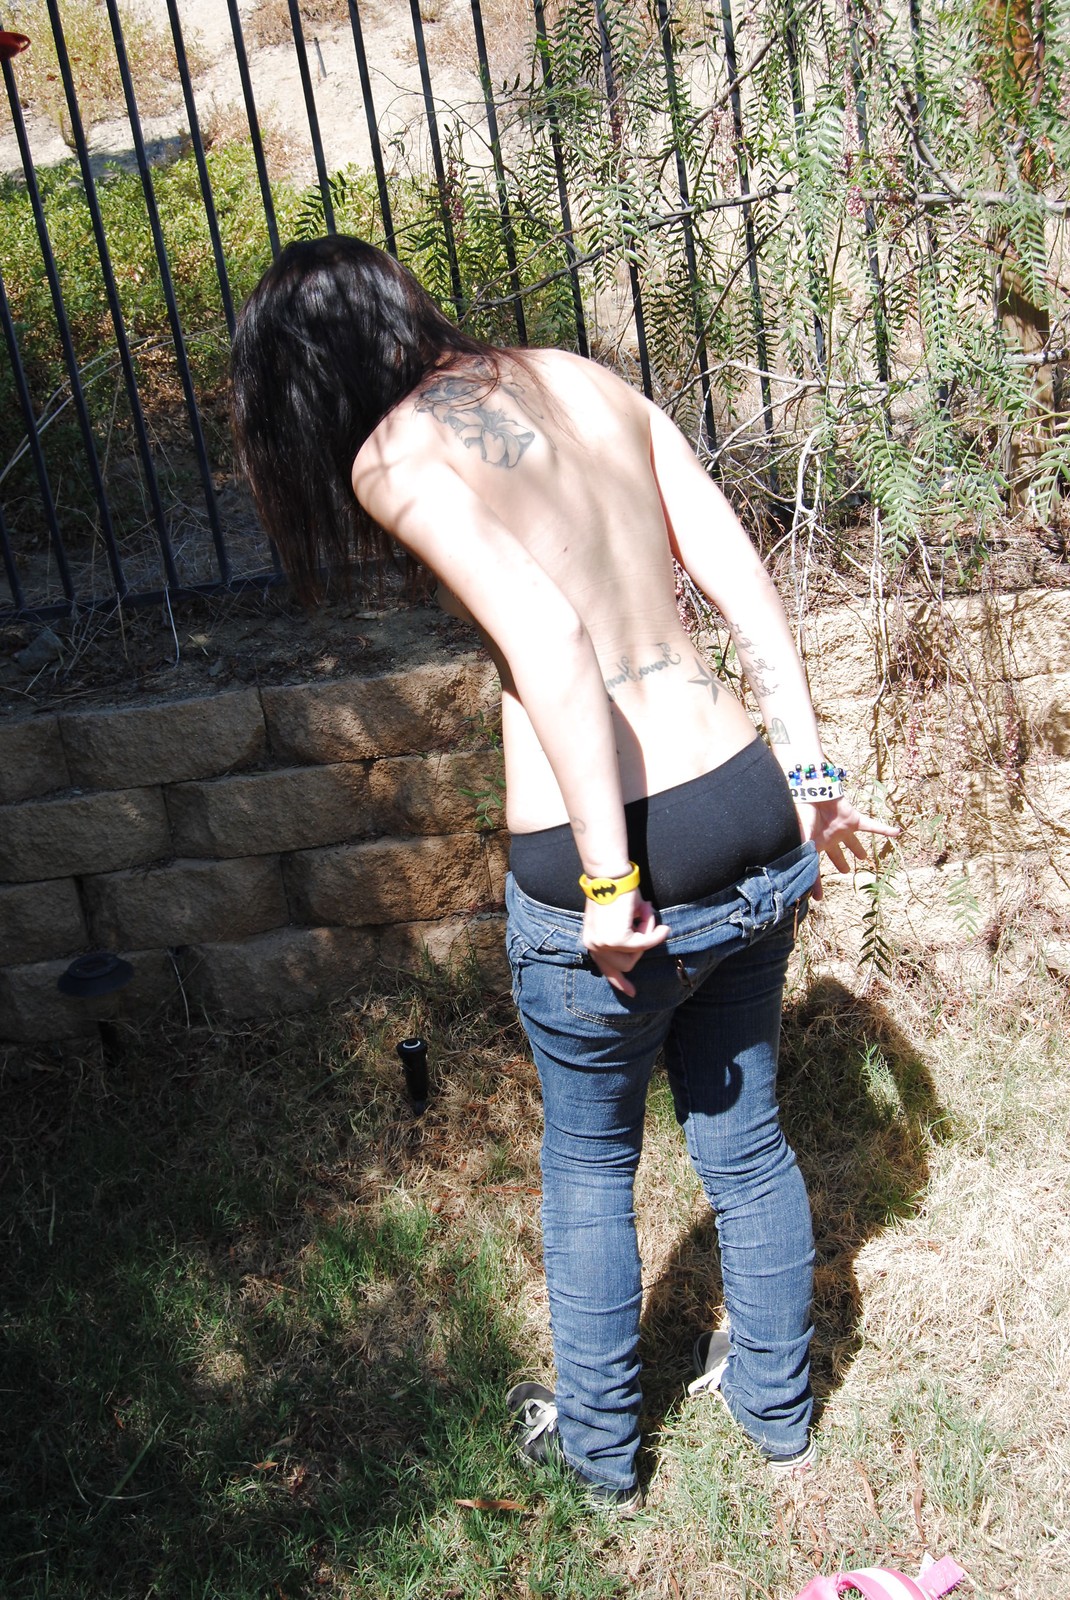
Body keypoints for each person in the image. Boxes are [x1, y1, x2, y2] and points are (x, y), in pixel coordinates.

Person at [230, 235, 897, 1513]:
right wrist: (809, 774)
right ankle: (776, 1411)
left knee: (589, 1163)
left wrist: (605, 885)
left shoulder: (393, 455)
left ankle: (599, 1452)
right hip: (745, 803)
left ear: (304, 378)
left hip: (618, 843)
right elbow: (735, 570)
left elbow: (548, 639)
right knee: (744, 1138)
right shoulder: (577, 378)